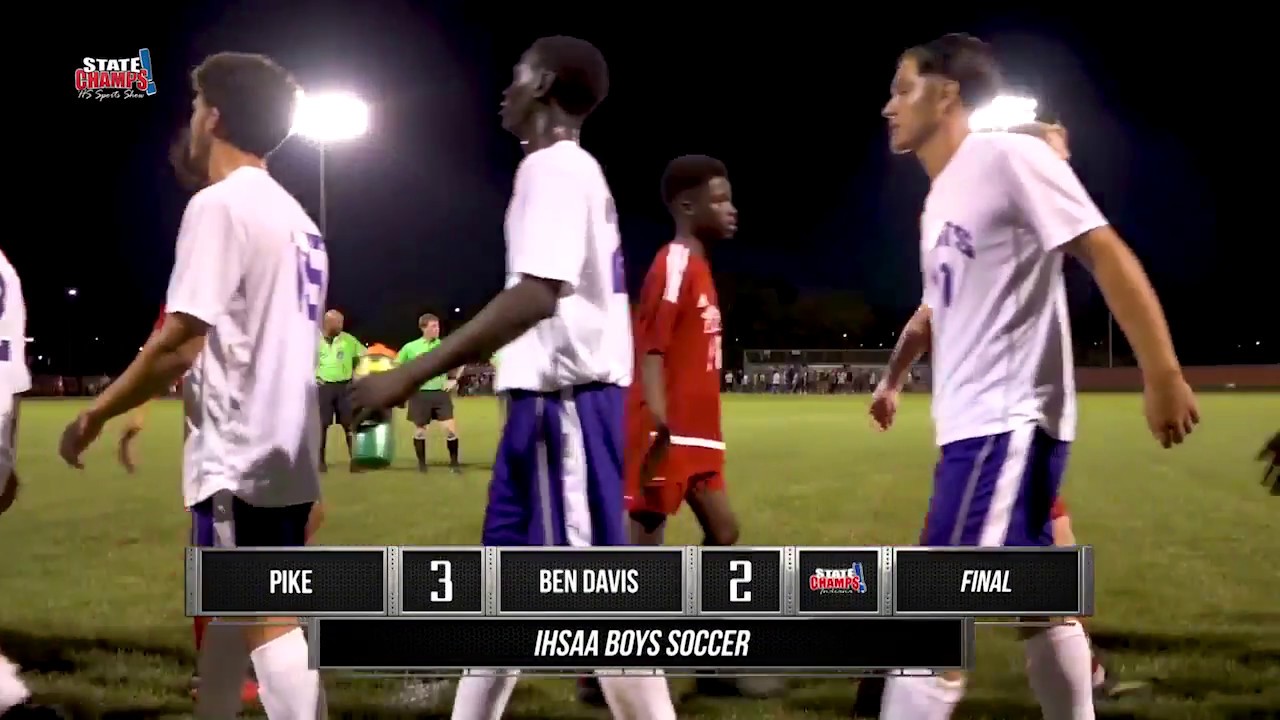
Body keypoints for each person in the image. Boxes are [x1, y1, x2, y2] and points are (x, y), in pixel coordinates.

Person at [871, 33, 1198, 720]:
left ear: (946, 93)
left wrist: (1161, 372)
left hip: (1005, 423)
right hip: (976, 427)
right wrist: (896, 380)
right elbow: (935, 312)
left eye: (902, 89)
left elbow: (1102, 250)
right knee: (1041, 602)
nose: (888, 106)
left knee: (930, 615)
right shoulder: (939, 202)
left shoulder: (1006, 156)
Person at [350, 35, 676, 720]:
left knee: (600, 607)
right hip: (544, 413)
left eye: (518, 73)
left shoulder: (554, 168)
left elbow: (536, 295)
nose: (506, 87)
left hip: (567, 413)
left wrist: (407, 377)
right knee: (502, 598)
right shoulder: (562, 170)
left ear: (546, 83)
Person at [58, 51, 328, 718]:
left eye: (193, 108)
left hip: (241, 455)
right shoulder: (302, 222)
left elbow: (179, 341)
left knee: (263, 622)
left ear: (213, 116)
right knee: (266, 619)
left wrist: (95, 413)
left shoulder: (220, 206)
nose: (190, 121)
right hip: (287, 453)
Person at [580, 155, 777, 705]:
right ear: (687, 206)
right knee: (641, 554)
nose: (731, 209)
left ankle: (713, 665)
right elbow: (652, 344)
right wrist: (658, 423)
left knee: (725, 534)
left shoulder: (701, 265)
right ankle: (604, 672)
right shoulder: (673, 261)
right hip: (666, 436)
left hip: (698, 439)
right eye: (719, 199)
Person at [397, 314, 463, 473]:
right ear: (423, 328)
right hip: (419, 395)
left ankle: (454, 464)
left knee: (450, 430)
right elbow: (397, 366)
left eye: (438, 326)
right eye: (433, 326)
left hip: (440, 394)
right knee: (420, 431)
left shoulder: (444, 345)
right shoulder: (410, 347)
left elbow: (462, 360)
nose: (437, 329)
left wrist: (454, 379)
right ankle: (422, 465)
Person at [316, 309, 363, 472]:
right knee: (322, 425)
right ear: (328, 323)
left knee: (349, 424)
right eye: (338, 322)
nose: (341, 326)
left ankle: (354, 462)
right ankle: (320, 462)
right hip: (325, 388)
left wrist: (356, 372)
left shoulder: (348, 340)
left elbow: (361, 356)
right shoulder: (315, 340)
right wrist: (314, 376)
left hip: (345, 387)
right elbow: (306, 361)